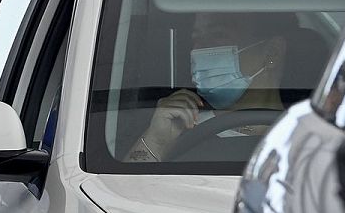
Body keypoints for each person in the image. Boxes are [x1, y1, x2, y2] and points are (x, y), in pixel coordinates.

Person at [127, 12, 305, 162]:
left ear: (272, 52)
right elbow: (126, 192)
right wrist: (157, 141)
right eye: (196, 40)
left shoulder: (315, 133)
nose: (199, 51)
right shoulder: (179, 126)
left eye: (218, 36)